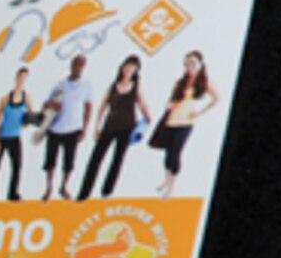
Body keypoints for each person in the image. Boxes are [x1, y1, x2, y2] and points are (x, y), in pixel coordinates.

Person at [77, 55, 152, 201]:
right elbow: (102, 107)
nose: (128, 69)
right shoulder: (113, 86)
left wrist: (147, 117)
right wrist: (97, 127)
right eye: (127, 66)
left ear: (136, 70)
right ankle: (84, 193)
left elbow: (143, 104)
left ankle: (107, 191)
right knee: (96, 159)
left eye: (132, 67)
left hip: (127, 127)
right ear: (122, 67)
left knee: (117, 160)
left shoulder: (136, 88)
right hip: (110, 126)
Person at [154, 50, 219, 199]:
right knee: (168, 153)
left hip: (186, 122)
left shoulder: (204, 82)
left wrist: (200, 112)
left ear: (199, 64)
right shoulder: (180, 82)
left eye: (192, 64)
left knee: (176, 153)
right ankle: (166, 180)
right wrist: (168, 106)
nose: (189, 67)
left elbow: (216, 98)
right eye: (187, 64)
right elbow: (171, 99)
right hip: (171, 120)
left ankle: (171, 187)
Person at [40, 55, 93, 200]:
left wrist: (85, 128)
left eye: (81, 65)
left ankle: (63, 187)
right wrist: (52, 105)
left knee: (69, 163)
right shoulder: (60, 85)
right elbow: (45, 105)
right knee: (50, 161)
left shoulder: (87, 86)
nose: (77, 67)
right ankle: (49, 187)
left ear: (84, 67)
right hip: (55, 128)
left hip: (73, 129)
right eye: (75, 64)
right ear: (71, 65)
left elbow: (88, 108)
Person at [0, 67, 33, 204]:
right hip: (3, 136)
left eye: (24, 78)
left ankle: (13, 194)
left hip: (15, 137)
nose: (21, 80)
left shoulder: (27, 97)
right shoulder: (5, 98)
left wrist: (26, 123)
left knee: (17, 167)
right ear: (16, 78)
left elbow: (30, 115)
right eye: (20, 77)